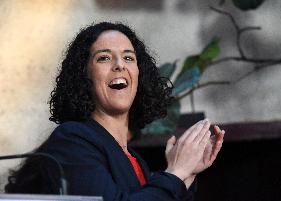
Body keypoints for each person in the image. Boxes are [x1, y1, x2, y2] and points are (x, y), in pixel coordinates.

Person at [5, 22, 225, 201]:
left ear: (139, 75)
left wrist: (186, 173)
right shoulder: (72, 139)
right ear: (85, 77)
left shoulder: (135, 159)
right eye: (104, 57)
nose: (120, 65)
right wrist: (175, 172)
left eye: (129, 57)